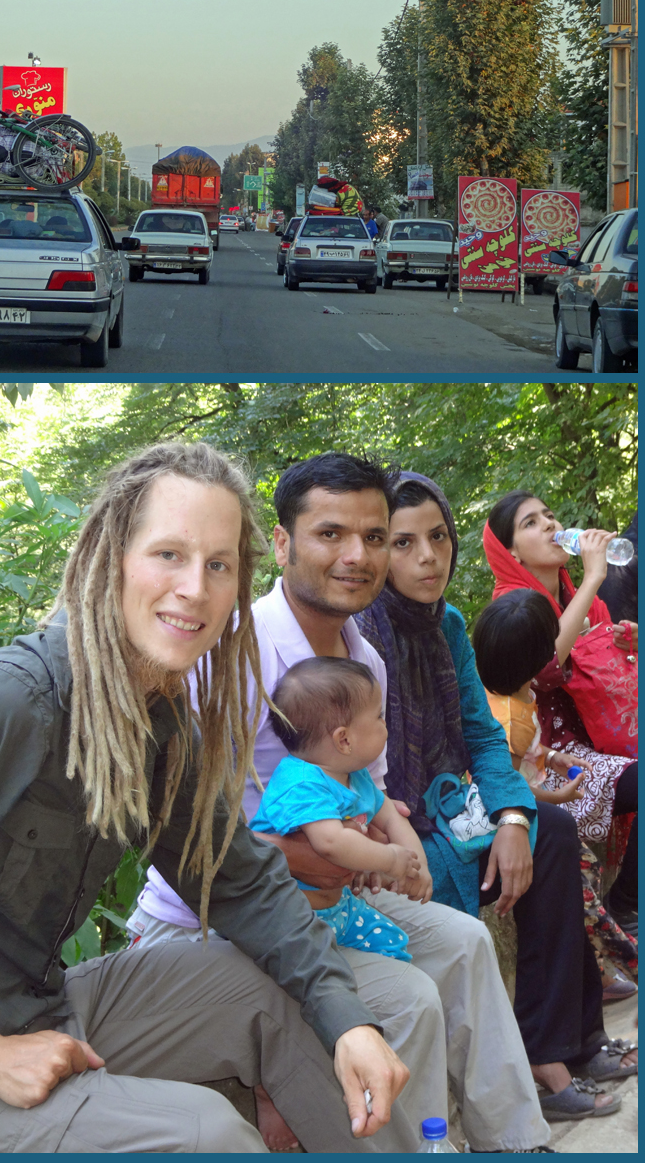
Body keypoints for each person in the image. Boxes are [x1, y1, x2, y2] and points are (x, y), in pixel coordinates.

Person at [0, 443, 410, 1153]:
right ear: (110, 558)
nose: (195, 588)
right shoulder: (9, 701)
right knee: (205, 1131)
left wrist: (350, 1022)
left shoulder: (158, 722)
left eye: (218, 565)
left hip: (35, 1006)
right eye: (169, 555)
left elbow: (242, 883)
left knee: (309, 998)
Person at [131, 452, 556, 1152]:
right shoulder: (232, 657)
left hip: (329, 890)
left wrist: (399, 850)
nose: (355, 555)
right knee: (408, 998)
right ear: (281, 543)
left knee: (465, 941)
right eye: (330, 534)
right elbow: (199, 841)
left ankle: (513, 1139)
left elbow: (372, 791)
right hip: (222, 913)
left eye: (373, 536)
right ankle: (423, 1146)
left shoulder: (366, 658)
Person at [355, 473, 639, 1122]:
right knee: (514, 846)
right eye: (402, 543)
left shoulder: (447, 624)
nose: (427, 557)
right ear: (376, 552)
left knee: (554, 833)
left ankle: (564, 1041)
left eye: (437, 537)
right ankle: (545, 1060)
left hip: (459, 807)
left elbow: (483, 735)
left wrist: (513, 816)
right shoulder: (361, 636)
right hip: (396, 827)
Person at [482, 492, 640, 936]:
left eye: (550, 516)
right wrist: (594, 577)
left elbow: (594, 658)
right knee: (640, 779)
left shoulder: (573, 593)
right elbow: (545, 667)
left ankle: (619, 903)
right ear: (509, 550)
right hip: (543, 755)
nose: (551, 526)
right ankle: (625, 905)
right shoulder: (511, 606)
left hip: (587, 738)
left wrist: (618, 637)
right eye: (531, 523)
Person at [472, 589, 638, 998]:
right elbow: (506, 788)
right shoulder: (509, 716)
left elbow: (527, 755)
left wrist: (552, 755)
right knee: (576, 869)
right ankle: (597, 968)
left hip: (533, 785)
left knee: (577, 863)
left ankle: (598, 962)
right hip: (507, 807)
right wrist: (557, 798)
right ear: (539, 656)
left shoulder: (512, 693)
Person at [250, 658, 427, 961]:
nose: (386, 726)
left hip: (338, 907)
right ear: (344, 739)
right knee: (322, 976)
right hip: (289, 919)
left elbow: (392, 819)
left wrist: (416, 867)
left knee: (393, 946)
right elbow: (331, 842)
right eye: (379, 717)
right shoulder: (301, 784)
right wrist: (389, 859)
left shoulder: (355, 777)